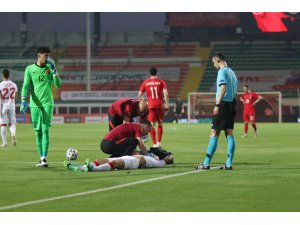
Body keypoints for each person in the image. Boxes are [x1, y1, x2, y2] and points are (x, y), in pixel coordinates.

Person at [195, 52, 238, 170]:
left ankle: (206, 163)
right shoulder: (232, 73)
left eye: (214, 62)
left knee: (214, 133)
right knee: (229, 134)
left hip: (223, 105)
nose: (214, 65)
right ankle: (228, 164)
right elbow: (235, 92)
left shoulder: (222, 72)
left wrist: (217, 105)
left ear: (218, 60)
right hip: (232, 105)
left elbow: (223, 88)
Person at [20, 46, 61, 167]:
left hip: (48, 103)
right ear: (39, 56)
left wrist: (54, 71)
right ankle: (41, 157)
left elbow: (58, 85)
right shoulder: (29, 69)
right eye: (45, 56)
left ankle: (44, 158)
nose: (47, 58)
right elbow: (25, 86)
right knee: (37, 132)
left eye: (48, 56)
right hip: (34, 105)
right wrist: (23, 100)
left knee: (45, 130)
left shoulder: (50, 67)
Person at [138, 67, 169, 148]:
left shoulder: (146, 82)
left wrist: (144, 103)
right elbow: (166, 94)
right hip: (159, 105)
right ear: (156, 72)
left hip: (150, 105)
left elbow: (139, 95)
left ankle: (154, 144)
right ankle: (159, 143)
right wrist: (167, 104)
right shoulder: (161, 82)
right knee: (160, 124)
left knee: (151, 125)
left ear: (150, 73)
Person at [64, 154, 174, 172]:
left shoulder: (155, 162)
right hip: (128, 156)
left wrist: (168, 157)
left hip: (135, 162)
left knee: (116, 163)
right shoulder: (150, 155)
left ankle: (92, 169)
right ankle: (80, 167)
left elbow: (165, 161)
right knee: (102, 160)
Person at [0, 69, 18, 147]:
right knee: (12, 123)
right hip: (12, 105)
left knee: (3, 124)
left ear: (2, 75)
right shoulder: (14, 84)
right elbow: (16, 96)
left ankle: (4, 143)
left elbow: (0, 97)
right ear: (9, 75)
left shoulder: (1, 85)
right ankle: (13, 135)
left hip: (3, 106)